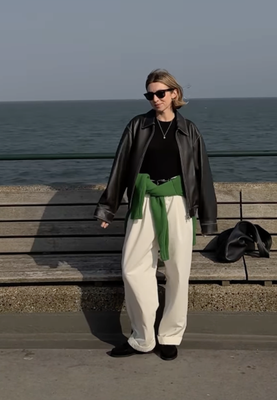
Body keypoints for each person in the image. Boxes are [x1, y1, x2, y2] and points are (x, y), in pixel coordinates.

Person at [94, 69, 217, 361]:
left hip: (178, 204)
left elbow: (203, 175)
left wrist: (208, 219)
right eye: (150, 94)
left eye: (160, 93)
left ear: (174, 94)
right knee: (133, 269)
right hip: (143, 202)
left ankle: (170, 336)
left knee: (177, 272)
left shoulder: (190, 130)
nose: (155, 99)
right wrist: (108, 208)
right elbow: (121, 167)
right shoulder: (138, 126)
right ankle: (142, 338)